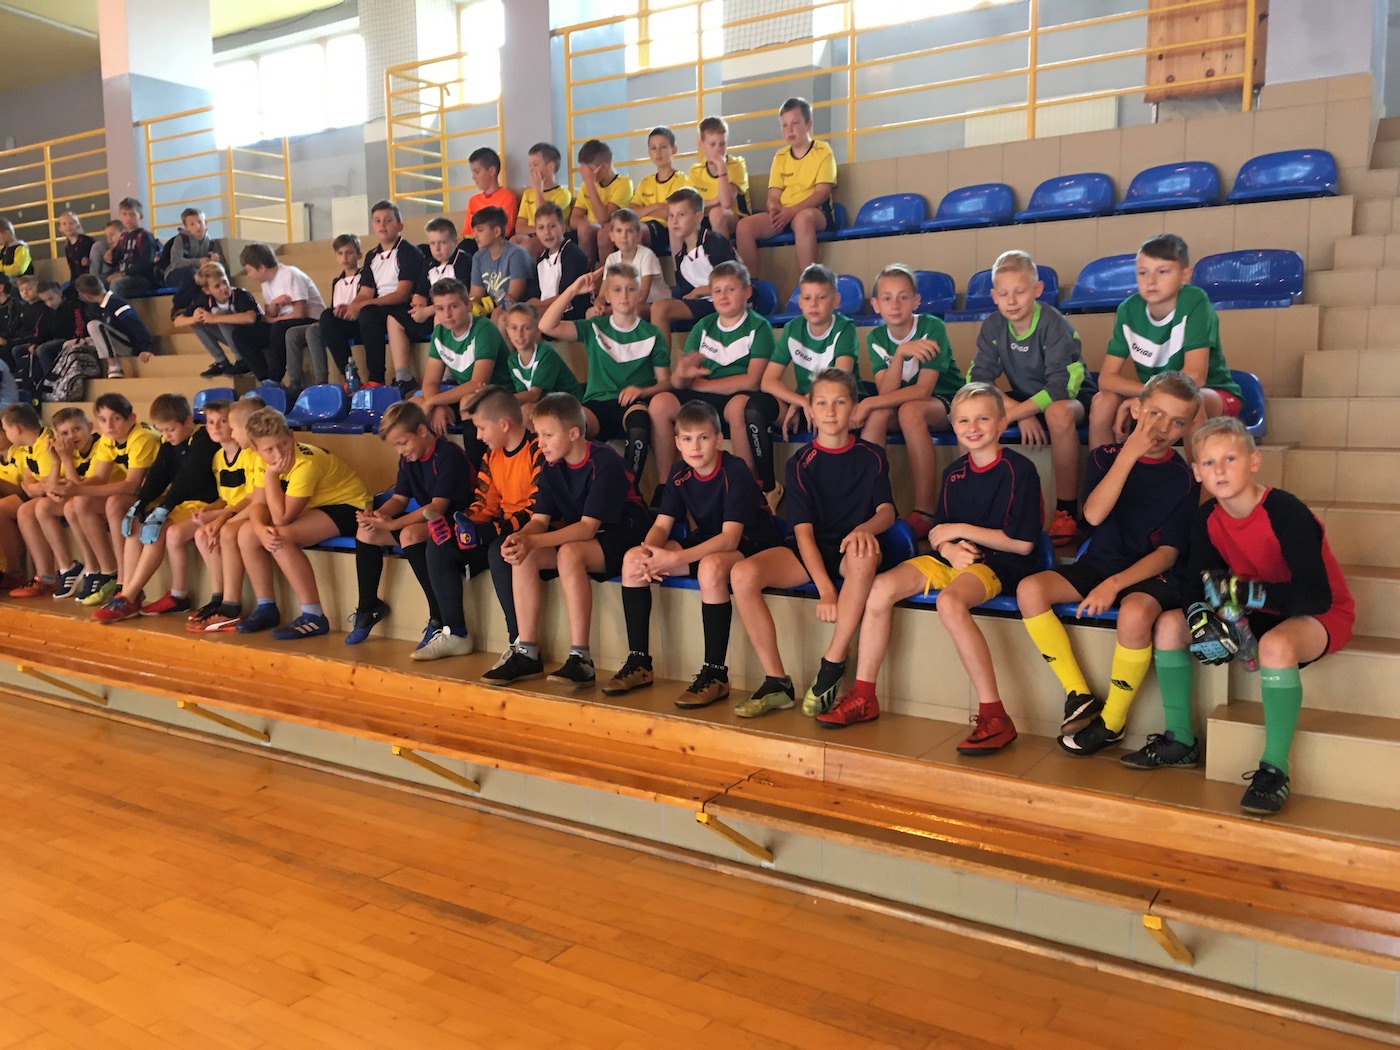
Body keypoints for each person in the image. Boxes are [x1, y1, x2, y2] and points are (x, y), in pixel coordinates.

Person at [1124, 417, 1355, 815]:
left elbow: (1316, 595)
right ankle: (1180, 740)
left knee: (1276, 645)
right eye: (1208, 462)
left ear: (1253, 461)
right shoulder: (1207, 518)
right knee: (1170, 624)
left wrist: (1245, 594)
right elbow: (1197, 581)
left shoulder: (1285, 511)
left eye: (1230, 458)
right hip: (1253, 608)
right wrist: (1200, 616)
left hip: (1318, 613)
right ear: (1197, 472)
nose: (1220, 470)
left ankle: (1275, 769)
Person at [841, 384, 1042, 745]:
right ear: (953, 425)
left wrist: (961, 532)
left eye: (983, 419)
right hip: (953, 559)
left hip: (1001, 562)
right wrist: (949, 549)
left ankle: (994, 715)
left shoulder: (1019, 470)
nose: (972, 427)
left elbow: (1023, 544)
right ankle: (864, 696)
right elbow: (938, 534)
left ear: (1001, 423)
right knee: (880, 588)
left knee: (949, 602)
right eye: (964, 420)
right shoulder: (954, 473)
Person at [1016, 372, 1202, 757]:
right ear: (1136, 409)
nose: (1162, 428)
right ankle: (1078, 694)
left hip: (1152, 572)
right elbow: (1094, 516)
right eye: (1155, 414)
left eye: (1176, 422)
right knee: (1030, 589)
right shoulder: (1104, 457)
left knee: (1134, 614)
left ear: (1187, 429)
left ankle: (1113, 722)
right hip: (1099, 563)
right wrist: (1130, 453)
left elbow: (1168, 554)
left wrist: (1114, 585)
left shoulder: (1184, 479)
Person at [730, 368, 896, 719]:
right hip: (808, 549)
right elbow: (803, 533)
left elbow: (887, 512)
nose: (831, 411)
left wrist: (864, 529)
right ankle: (777, 682)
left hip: (850, 547)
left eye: (840, 402)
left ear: (854, 409)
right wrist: (826, 591)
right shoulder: (800, 463)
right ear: (811, 410)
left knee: (864, 555)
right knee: (742, 574)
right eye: (821, 403)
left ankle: (832, 663)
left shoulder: (872, 455)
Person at [605, 398, 781, 707]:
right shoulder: (679, 473)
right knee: (633, 560)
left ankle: (715, 674)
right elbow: (662, 525)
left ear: (718, 439)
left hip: (751, 545)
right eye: (687, 439)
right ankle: (639, 663)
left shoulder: (735, 470)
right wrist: (650, 551)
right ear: (677, 442)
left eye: (703, 438)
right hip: (709, 542)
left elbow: (730, 539)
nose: (695, 446)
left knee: (710, 567)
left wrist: (675, 558)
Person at [482, 392, 650, 686]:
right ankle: (527, 653)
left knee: (569, 553)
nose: (540, 443)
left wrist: (535, 541)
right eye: (538, 435)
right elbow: (539, 521)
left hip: (625, 535)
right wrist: (520, 538)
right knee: (525, 554)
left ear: (574, 433)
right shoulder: (550, 465)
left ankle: (581, 659)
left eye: (548, 435)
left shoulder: (604, 461)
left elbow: (587, 529)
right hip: (585, 537)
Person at [969, 250, 1097, 547]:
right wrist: (1022, 412)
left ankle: (1066, 511)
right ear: (994, 296)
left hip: (1075, 397)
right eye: (1004, 294)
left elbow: (1060, 388)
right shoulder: (993, 325)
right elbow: (978, 380)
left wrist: (1013, 414)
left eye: (1020, 291)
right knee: (973, 409)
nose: (1012, 301)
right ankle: (977, 506)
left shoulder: (1054, 324)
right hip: (1025, 399)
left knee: (1057, 413)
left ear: (1037, 290)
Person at [1090, 234, 1241, 453]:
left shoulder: (1195, 301)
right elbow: (1106, 379)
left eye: (1162, 272)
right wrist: (1147, 396)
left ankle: (1198, 474)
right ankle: (1103, 472)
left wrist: (1149, 399)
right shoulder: (1128, 309)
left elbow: (1195, 377)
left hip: (1212, 393)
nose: (1151, 281)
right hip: (1155, 395)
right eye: (1143, 272)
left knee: (1191, 401)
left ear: (1185, 275)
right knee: (1102, 401)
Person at [230, 407, 372, 640]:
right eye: (269, 450)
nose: (278, 454)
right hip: (315, 508)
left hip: (349, 506)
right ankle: (266, 607)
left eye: (283, 444)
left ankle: (314, 615)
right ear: (256, 450)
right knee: (247, 533)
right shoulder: (260, 460)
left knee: (280, 537)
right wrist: (258, 528)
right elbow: (258, 504)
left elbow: (282, 518)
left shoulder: (305, 464)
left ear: (292, 436)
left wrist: (271, 476)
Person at [425, 385, 542, 664]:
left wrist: (490, 531)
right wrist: (460, 524)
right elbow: (484, 504)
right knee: (440, 546)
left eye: (481, 428)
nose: (477, 436)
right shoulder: (492, 455)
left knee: (500, 549)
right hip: (503, 530)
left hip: (536, 533)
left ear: (504, 424)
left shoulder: (537, 450)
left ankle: (519, 643)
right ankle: (455, 632)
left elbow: (538, 510)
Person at [347, 400, 477, 648]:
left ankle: (437, 616)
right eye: (395, 445)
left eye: (402, 443)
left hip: (460, 522)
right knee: (366, 532)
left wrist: (392, 525)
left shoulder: (447, 455)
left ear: (422, 430)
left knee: (409, 534)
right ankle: (368, 607)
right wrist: (376, 516)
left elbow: (437, 508)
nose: (400, 450)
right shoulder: (408, 460)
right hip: (432, 522)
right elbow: (399, 499)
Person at [89, 394, 220, 622]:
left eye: (170, 430)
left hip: (204, 503)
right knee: (136, 525)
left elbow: (188, 477)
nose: (166, 435)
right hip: (180, 503)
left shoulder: (202, 439)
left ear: (188, 421)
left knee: (157, 531)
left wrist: (164, 507)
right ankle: (128, 591)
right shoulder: (168, 444)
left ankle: (128, 597)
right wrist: (140, 504)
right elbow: (157, 477)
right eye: (161, 430)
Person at [538, 264, 670, 488]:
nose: (624, 295)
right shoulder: (594, 327)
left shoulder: (652, 333)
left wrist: (642, 391)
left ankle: (629, 490)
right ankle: (571, 490)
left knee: (639, 425)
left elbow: (665, 382)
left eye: (630, 289)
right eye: (617, 289)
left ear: (639, 293)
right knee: (570, 426)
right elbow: (546, 326)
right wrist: (573, 289)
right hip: (598, 403)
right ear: (607, 295)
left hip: (634, 403)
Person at [646, 260, 770, 485]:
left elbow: (752, 381)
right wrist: (681, 374)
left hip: (735, 395)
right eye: (717, 291)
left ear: (747, 291)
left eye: (730, 289)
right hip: (702, 396)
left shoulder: (759, 327)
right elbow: (679, 382)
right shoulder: (703, 325)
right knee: (660, 403)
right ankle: (665, 485)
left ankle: (745, 483)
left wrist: (703, 385)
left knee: (738, 407)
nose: (723, 296)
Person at [744, 263, 858, 505]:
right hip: (805, 405)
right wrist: (800, 401)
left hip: (832, 407)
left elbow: (839, 382)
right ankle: (768, 487)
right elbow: (767, 381)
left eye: (821, 297)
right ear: (800, 302)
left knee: (840, 411)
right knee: (755, 407)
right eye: (807, 298)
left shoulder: (845, 328)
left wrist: (806, 402)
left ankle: (842, 495)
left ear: (836, 300)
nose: (813, 304)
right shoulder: (793, 328)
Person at [50, 392, 161, 606]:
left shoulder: (142, 438)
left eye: (115, 418)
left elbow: (132, 485)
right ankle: (108, 571)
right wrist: (71, 490)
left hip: (161, 495)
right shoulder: (109, 439)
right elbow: (99, 477)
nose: (108, 425)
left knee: (114, 503)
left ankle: (122, 580)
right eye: (102, 419)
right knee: (78, 503)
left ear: (131, 418)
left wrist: (78, 489)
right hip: (140, 494)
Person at [853, 262, 961, 465]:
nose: (895, 305)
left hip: (949, 401)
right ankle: (872, 485)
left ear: (916, 301)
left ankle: (925, 489)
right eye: (887, 298)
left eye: (903, 297)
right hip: (905, 403)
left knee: (910, 412)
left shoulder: (932, 327)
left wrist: (868, 402)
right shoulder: (875, 337)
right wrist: (900, 354)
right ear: (876, 304)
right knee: (877, 415)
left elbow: (923, 391)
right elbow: (885, 393)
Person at [735, 98, 837, 280]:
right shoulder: (780, 156)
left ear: (808, 125)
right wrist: (773, 207)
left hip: (814, 212)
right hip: (785, 215)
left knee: (802, 219)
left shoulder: (823, 150)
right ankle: (749, 286)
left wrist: (791, 212)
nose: (789, 130)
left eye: (795, 123)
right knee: (744, 227)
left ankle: (808, 282)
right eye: (784, 125)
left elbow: (822, 193)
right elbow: (773, 195)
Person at [186, 396, 264, 631]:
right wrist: (212, 510)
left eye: (226, 422)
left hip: (254, 510)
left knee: (226, 531)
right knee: (202, 534)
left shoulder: (251, 454)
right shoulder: (219, 458)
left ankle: (231, 605)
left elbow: (251, 499)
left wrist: (220, 518)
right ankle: (218, 597)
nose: (219, 427)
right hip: (241, 509)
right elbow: (227, 496)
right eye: (211, 422)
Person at [336, 200, 427, 393]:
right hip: (376, 308)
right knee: (329, 319)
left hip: (400, 307)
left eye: (388, 220)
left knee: (368, 312)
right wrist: (352, 307)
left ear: (400, 225)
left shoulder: (409, 251)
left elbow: (403, 294)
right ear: (373, 226)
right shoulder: (371, 256)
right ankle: (350, 378)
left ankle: (376, 378)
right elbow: (365, 292)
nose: (382, 224)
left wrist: (363, 305)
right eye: (377, 221)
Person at [9, 407, 97, 598]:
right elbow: (46, 485)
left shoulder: (97, 447)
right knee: (35, 508)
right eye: (65, 433)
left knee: (63, 506)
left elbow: (75, 486)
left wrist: (64, 460)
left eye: (76, 429)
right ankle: (66, 568)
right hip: (76, 498)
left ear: (89, 427)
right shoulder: (65, 450)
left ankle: (94, 569)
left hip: (95, 499)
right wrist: (57, 462)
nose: (71, 436)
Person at [420, 277, 511, 439]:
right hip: (469, 394)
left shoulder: (484, 328)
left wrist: (434, 401)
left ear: (468, 305)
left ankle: (476, 456)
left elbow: (478, 383)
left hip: (500, 395)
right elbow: (430, 382)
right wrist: (438, 405)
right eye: (440, 309)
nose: (447, 314)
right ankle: (440, 454)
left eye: (453, 306)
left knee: (467, 402)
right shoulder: (439, 333)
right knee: (416, 404)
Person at [650, 187, 735, 350]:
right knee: (655, 308)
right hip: (701, 305)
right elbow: (686, 292)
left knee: (660, 308)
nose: (674, 221)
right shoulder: (681, 255)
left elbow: (733, 281)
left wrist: (698, 292)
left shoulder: (714, 242)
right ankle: (659, 361)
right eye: (671, 215)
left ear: (698, 217)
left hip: (722, 301)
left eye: (681, 215)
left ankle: (661, 366)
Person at [240, 242, 325, 385]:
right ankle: (264, 378)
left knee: (278, 328)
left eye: (249, 270)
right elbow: (270, 314)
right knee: (241, 334)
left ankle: (275, 378)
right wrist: (274, 303)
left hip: (311, 319)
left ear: (261, 267)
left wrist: (273, 321)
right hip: (284, 321)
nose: (249, 276)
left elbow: (300, 314)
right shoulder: (265, 282)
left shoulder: (289, 274)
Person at [174, 262, 264, 379]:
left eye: (225, 282)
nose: (224, 288)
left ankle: (242, 360)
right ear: (207, 290)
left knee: (221, 316)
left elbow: (250, 318)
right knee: (198, 323)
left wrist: (215, 318)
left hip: (253, 337)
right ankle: (221, 362)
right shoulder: (203, 299)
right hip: (232, 337)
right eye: (217, 286)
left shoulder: (241, 295)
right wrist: (194, 318)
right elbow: (177, 321)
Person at [500, 303, 583, 429]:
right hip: (546, 406)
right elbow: (523, 394)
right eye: (514, 328)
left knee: (526, 411)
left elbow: (534, 395)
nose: (519, 334)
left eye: (526, 328)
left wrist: (501, 400)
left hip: (570, 407)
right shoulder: (512, 361)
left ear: (538, 330)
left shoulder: (545, 353)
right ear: (507, 330)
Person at [0, 403, 53, 588]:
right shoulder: (28, 446)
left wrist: (33, 488)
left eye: (5, 430)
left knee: (17, 510)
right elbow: (29, 479)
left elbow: (48, 486)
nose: (6, 434)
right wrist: (32, 487)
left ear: (15, 429)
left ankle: (35, 575)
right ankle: (14, 572)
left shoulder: (44, 444)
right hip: (34, 493)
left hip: (56, 496)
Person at [305, 233, 364, 388]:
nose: (345, 257)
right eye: (340, 253)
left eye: (349, 252)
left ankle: (349, 375)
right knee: (311, 331)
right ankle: (321, 381)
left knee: (327, 317)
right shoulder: (337, 282)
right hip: (340, 322)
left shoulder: (365, 276)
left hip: (357, 321)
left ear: (359, 255)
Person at [75, 274, 155, 379]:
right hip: (115, 344)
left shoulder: (116, 303)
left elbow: (138, 326)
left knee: (93, 325)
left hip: (129, 346)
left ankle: (113, 366)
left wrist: (145, 348)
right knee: (70, 345)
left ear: (86, 296)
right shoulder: (100, 307)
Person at [571, 139, 633, 265]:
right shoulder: (585, 186)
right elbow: (573, 220)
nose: (584, 175)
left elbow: (603, 218)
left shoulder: (624, 184)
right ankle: (586, 272)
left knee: (602, 234)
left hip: (610, 232)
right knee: (584, 229)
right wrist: (587, 226)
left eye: (589, 170)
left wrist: (590, 183)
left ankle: (606, 274)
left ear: (604, 167)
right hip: (590, 232)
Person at [468, 206, 533, 325]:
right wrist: (471, 306)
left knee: (498, 314)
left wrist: (489, 306)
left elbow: (513, 298)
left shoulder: (516, 254)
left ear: (496, 231)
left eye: (480, 230)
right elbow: (476, 295)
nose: (475, 236)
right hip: (494, 307)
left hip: (521, 307)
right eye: (474, 231)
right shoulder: (478, 257)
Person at [689, 117, 749, 242]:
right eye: (712, 144)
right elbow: (690, 205)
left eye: (722, 144)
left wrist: (721, 166)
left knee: (716, 214)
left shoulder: (737, 165)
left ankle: (723, 254)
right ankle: (683, 255)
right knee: (678, 220)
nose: (718, 149)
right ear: (701, 145)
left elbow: (726, 203)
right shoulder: (696, 171)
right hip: (704, 218)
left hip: (733, 218)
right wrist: (715, 201)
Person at [629, 127, 687, 255]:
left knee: (634, 232)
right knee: (614, 232)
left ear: (674, 150)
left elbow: (668, 211)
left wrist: (642, 212)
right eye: (653, 148)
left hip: (666, 229)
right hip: (643, 224)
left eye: (663, 147)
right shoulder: (646, 182)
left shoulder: (681, 180)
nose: (658, 152)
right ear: (649, 153)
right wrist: (656, 206)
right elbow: (632, 211)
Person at [529, 202, 590, 321]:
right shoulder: (541, 259)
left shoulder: (572, 255)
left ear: (563, 228)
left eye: (552, 226)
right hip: (546, 311)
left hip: (569, 314)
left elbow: (566, 296)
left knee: (527, 317)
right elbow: (534, 296)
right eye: (541, 228)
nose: (547, 232)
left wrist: (535, 306)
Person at [513, 142, 573, 258]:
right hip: (532, 234)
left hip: (551, 236)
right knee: (514, 241)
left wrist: (538, 190)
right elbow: (519, 228)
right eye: (530, 165)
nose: (531, 170)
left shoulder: (563, 194)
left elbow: (545, 216)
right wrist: (536, 230)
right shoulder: (528, 194)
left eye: (535, 165)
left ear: (550, 167)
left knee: (528, 245)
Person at [596, 208, 664, 308]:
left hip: (651, 305)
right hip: (625, 306)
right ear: (611, 236)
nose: (624, 236)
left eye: (630, 231)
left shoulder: (646, 255)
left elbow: (641, 298)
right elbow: (602, 295)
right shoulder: (611, 259)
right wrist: (598, 305)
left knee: (636, 311)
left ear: (639, 236)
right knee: (590, 313)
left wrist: (612, 310)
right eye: (619, 231)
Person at [163, 207, 222, 309]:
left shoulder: (212, 243)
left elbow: (220, 266)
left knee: (208, 278)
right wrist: (198, 262)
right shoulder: (181, 239)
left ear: (206, 223)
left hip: (199, 274)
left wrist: (214, 262)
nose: (197, 226)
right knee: (193, 274)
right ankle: (179, 306)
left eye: (200, 222)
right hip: (175, 274)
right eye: (192, 224)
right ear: (187, 228)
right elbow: (176, 262)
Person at [462, 146, 517, 244]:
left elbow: (505, 231)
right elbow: (467, 232)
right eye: (472, 172)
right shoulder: (473, 201)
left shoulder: (507, 197)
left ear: (492, 171)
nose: (473, 177)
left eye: (477, 172)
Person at [109, 197, 160, 299]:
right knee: (95, 284)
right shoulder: (123, 237)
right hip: (123, 274)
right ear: (120, 216)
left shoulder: (145, 236)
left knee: (116, 284)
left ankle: (119, 309)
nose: (128, 218)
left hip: (141, 278)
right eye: (124, 214)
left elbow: (146, 263)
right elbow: (116, 260)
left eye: (132, 214)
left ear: (140, 216)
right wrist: (109, 257)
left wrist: (124, 273)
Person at [57, 212, 95, 290]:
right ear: (60, 228)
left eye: (71, 223)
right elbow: (72, 268)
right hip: (77, 280)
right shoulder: (67, 247)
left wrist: (88, 261)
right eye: (64, 224)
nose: (68, 226)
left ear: (77, 226)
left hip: (90, 278)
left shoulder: (86, 240)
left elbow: (97, 256)